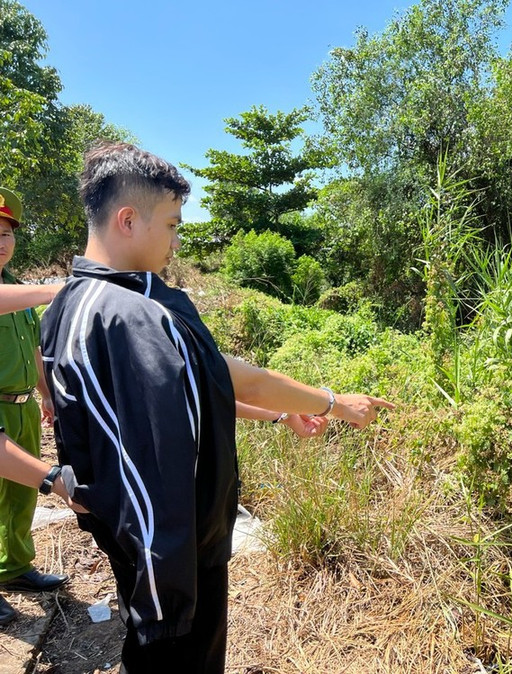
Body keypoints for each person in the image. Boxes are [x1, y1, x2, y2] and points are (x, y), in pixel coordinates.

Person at [39, 142, 393, 673]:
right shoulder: (126, 315)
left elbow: (212, 378)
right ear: (129, 220)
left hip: (158, 549)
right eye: (174, 224)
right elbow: (148, 466)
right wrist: (167, 591)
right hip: (172, 558)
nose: (178, 241)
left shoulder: (78, 302)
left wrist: (317, 404)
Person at [0, 187, 69, 627]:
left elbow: (36, 349)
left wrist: (45, 393)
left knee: (22, 493)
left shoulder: (18, 291)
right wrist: (59, 288)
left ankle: (15, 568)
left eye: (7, 233)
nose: (2, 241)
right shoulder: (25, 295)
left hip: (21, 404)